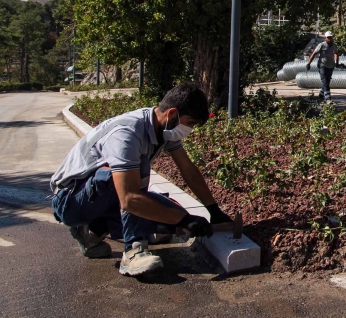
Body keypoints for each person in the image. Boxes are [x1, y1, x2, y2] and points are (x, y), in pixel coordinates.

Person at [50, 83, 233, 277]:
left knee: (170, 219)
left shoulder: (164, 128)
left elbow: (187, 169)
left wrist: (213, 210)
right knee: (139, 178)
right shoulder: (127, 134)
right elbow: (129, 198)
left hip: (98, 197)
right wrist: (186, 220)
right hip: (70, 200)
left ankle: (92, 232)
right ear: (172, 114)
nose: (190, 129)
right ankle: (133, 251)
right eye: (190, 123)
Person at [307, 31, 340, 102]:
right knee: (324, 80)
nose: (330, 39)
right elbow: (314, 54)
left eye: (331, 37)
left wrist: (336, 62)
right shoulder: (321, 45)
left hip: (331, 66)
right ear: (325, 38)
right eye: (328, 38)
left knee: (327, 81)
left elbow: (336, 53)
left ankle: (321, 95)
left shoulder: (334, 46)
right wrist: (309, 63)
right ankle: (328, 98)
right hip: (322, 65)